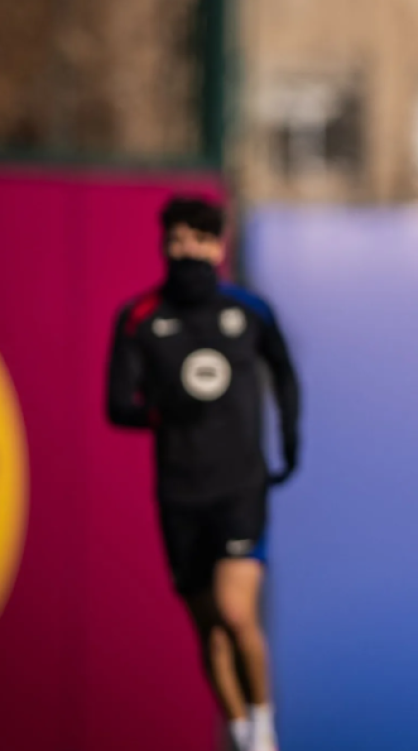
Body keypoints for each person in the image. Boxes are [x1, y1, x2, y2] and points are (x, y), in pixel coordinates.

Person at [106, 195, 300, 751]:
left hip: (240, 485)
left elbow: (284, 372)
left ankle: (264, 721)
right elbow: (118, 405)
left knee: (237, 610)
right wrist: (163, 409)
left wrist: (290, 438)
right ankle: (240, 730)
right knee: (208, 625)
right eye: (178, 240)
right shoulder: (141, 317)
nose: (188, 251)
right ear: (165, 244)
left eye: (200, 240)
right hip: (179, 492)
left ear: (220, 246)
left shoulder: (250, 312)